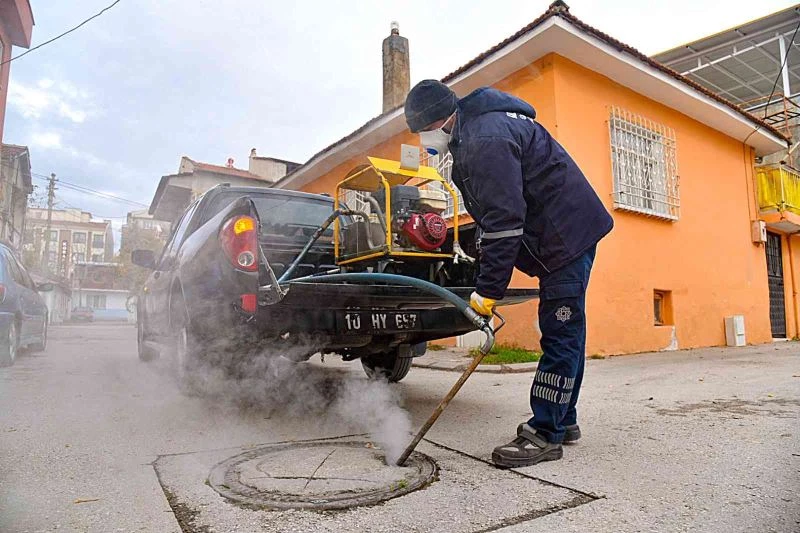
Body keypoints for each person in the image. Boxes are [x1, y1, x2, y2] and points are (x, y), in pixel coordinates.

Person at [404, 80, 613, 468]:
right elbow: (489, 219)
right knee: (568, 329)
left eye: (421, 131)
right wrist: (482, 266)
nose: (422, 140)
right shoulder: (473, 135)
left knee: (560, 329)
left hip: (566, 236)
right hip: (565, 233)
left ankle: (544, 433)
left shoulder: (485, 140)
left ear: (437, 120)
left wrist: (487, 293)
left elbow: (504, 224)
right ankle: (563, 419)